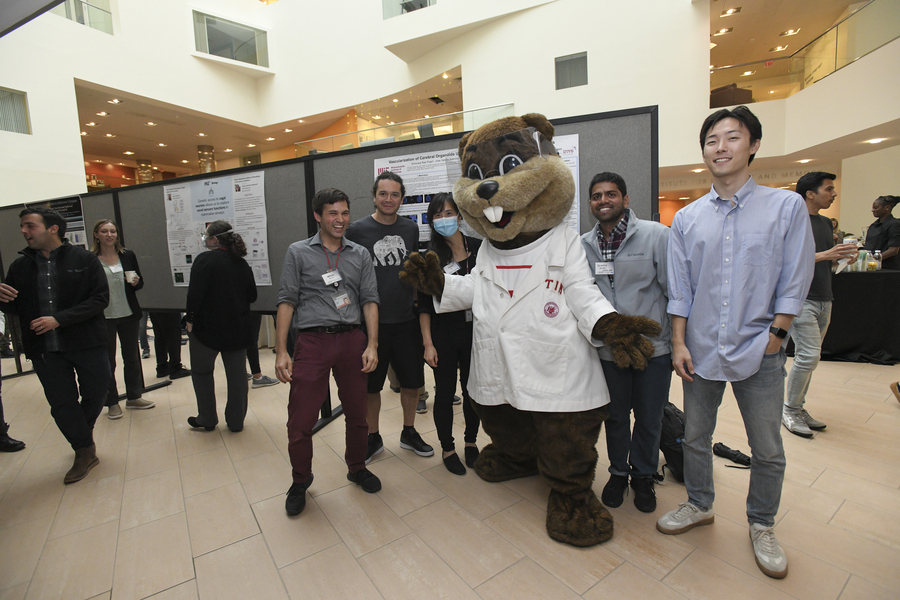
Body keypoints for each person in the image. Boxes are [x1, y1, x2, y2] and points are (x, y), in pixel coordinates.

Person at [659, 106, 814, 580]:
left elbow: (795, 276)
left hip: (760, 347)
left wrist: (778, 334)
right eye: (711, 140)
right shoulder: (686, 218)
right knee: (695, 436)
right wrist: (679, 343)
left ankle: (762, 523)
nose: (720, 148)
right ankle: (700, 503)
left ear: (754, 145)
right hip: (700, 349)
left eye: (732, 137)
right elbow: (680, 288)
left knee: (767, 447)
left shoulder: (784, 207)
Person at [275, 188, 381, 515]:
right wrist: (281, 350)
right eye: (333, 213)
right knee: (300, 420)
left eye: (345, 213)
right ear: (318, 216)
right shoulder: (298, 252)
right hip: (313, 341)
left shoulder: (360, 254)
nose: (340, 220)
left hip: (352, 339)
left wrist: (372, 344)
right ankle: (300, 479)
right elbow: (287, 301)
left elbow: (369, 300)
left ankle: (356, 466)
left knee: (357, 413)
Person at [580, 171, 671, 512]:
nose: (604, 200)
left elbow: (673, 292)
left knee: (649, 417)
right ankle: (618, 472)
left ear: (626, 199)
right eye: (597, 196)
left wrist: (677, 343)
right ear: (590, 203)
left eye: (611, 194)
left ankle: (644, 476)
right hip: (608, 352)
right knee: (616, 417)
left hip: (654, 350)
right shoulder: (583, 245)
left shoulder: (656, 236)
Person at [0, 207, 111, 483]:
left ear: (53, 229)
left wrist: (58, 319)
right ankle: (84, 450)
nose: (24, 232)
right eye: (23, 227)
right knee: (62, 403)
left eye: (30, 226)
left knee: (98, 392)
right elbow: (14, 308)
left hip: (87, 342)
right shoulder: (20, 267)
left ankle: (81, 434)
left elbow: (99, 300)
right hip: (45, 349)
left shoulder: (85, 259)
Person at [345, 171, 433, 462]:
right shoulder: (357, 230)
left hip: (406, 320)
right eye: (383, 193)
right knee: (371, 386)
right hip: (371, 325)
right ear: (374, 196)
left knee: (411, 383)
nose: (388, 199)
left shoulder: (410, 229)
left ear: (402, 199)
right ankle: (373, 437)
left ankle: (409, 432)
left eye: (395, 194)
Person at [782, 173, 857, 437]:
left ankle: (798, 406)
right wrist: (827, 254)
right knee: (808, 356)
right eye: (828, 189)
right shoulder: (791, 221)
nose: (833, 194)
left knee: (811, 358)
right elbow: (786, 260)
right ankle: (789, 410)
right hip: (802, 299)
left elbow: (827, 262)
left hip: (825, 296)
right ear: (810, 194)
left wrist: (843, 257)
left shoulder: (825, 223)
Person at [418, 193, 481, 475]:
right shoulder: (429, 257)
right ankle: (448, 447)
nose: (444, 219)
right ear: (432, 221)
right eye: (438, 215)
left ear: (460, 215)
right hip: (443, 335)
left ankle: (470, 442)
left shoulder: (480, 249)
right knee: (445, 394)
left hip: (475, 333)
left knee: (472, 392)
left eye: (449, 213)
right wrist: (428, 344)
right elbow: (422, 306)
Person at [184, 221, 257, 432]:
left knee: (201, 373)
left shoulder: (204, 260)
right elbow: (252, 295)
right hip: (237, 329)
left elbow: (194, 295)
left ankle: (207, 418)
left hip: (207, 330)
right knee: (237, 377)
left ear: (214, 239)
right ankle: (235, 422)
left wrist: (189, 320)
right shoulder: (241, 263)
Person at [91, 219, 155, 419]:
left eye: (113, 231)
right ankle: (111, 402)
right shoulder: (91, 259)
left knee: (132, 358)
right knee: (108, 362)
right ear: (96, 234)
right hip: (104, 316)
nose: (109, 235)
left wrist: (136, 282)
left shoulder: (127, 255)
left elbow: (139, 282)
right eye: (104, 231)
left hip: (128, 313)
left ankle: (134, 397)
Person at [149, 311, 191, 379]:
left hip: (153, 305)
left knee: (159, 335)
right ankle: (175, 367)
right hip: (168, 305)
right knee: (173, 334)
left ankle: (162, 366)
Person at [862, 195, 900, 270]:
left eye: (875, 208)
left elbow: (894, 250)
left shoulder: (894, 224)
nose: (872, 210)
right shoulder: (873, 225)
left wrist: (873, 260)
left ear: (887, 208)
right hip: (872, 267)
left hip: (887, 269)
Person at [246, 312, 279, 388]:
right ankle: (257, 377)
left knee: (243, 338)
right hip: (251, 306)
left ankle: (241, 372)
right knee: (252, 338)